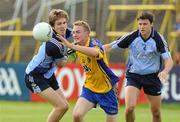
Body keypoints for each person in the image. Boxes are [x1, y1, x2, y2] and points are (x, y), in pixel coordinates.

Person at [103, 11, 173, 122]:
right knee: (129, 108)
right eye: (140, 24)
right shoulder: (132, 36)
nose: (142, 27)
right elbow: (111, 46)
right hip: (133, 76)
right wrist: (94, 50)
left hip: (152, 77)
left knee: (156, 112)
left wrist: (165, 71)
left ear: (151, 24)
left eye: (145, 24)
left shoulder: (158, 39)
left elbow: (169, 60)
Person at [57, 20, 120, 122]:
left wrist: (72, 46)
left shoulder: (93, 43)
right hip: (90, 88)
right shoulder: (75, 46)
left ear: (87, 34)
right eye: (73, 32)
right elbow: (62, 64)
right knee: (77, 115)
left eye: (78, 32)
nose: (74, 35)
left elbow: (95, 52)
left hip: (107, 89)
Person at [24, 9, 71, 122]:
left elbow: (77, 35)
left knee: (65, 106)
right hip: (34, 76)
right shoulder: (53, 45)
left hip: (48, 74)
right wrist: (71, 51)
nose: (63, 26)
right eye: (59, 24)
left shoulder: (66, 32)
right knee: (61, 107)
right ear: (52, 27)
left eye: (64, 23)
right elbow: (61, 64)